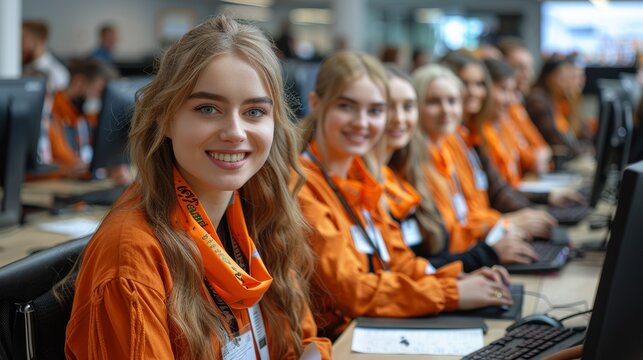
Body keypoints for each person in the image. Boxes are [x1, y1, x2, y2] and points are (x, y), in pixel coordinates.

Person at [64, 15, 331, 359]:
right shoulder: (131, 260)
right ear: (165, 118)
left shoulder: (259, 215)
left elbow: (303, 344)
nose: (235, 132)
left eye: (254, 112)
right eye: (208, 108)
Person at [296, 50, 512, 339]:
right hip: (340, 340)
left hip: (370, 328)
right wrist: (451, 293)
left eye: (374, 111)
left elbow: (399, 261)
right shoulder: (300, 185)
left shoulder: (359, 177)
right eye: (346, 107)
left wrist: (455, 278)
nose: (362, 122)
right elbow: (351, 291)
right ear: (315, 103)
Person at [380, 64, 536, 270]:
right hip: (450, 270)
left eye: (452, 101)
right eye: (434, 102)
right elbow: (428, 254)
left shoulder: (450, 146)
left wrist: (498, 227)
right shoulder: (404, 163)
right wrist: (492, 238)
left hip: (456, 267)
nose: (446, 110)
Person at [42, 58, 129, 184]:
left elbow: (98, 155)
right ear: (79, 82)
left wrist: (110, 168)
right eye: (99, 92)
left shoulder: (85, 117)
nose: (101, 99)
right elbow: (70, 163)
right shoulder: (52, 111)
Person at [526, 57, 589, 160]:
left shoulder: (559, 100)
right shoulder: (538, 101)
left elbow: (581, 133)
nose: (567, 82)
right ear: (549, 77)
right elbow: (555, 138)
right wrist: (582, 151)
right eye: (562, 77)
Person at [22, 20, 70, 93]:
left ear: (39, 39)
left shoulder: (57, 73)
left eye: (24, 37)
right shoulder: (24, 66)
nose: (19, 42)